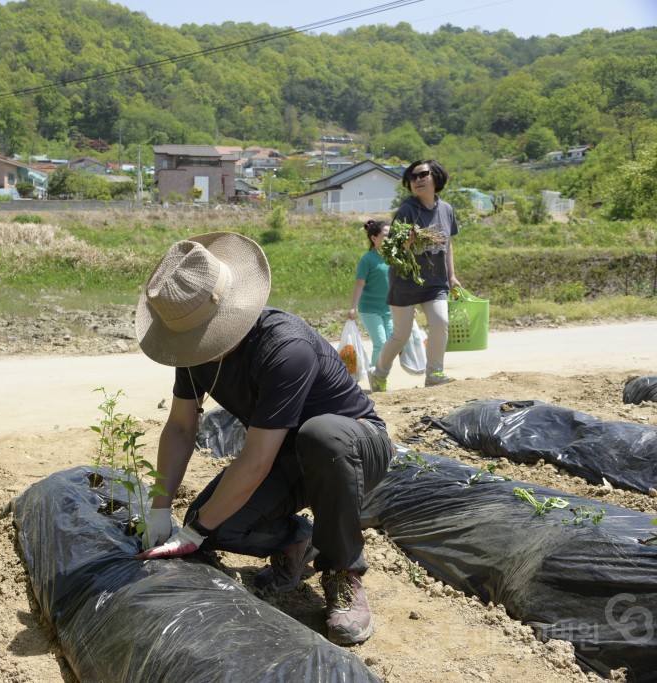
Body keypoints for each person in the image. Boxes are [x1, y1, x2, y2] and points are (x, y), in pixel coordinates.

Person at [133, 232, 393, 646]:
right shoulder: (194, 352)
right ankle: (298, 539)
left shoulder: (284, 348)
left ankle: (344, 571)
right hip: (286, 455)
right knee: (218, 527)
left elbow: (254, 461)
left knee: (322, 435)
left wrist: (192, 532)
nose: (196, 347)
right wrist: (161, 509)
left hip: (355, 446)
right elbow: (181, 427)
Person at [368, 160, 460, 392]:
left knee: (440, 323)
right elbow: (395, 249)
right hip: (406, 279)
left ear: (436, 178)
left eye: (423, 175)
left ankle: (434, 373)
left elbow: (449, 244)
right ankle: (378, 373)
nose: (417, 180)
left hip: (436, 281)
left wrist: (452, 275)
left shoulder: (447, 210)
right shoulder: (407, 209)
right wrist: (407, 243)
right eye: (412, 177)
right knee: (401, 335)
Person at [348, 219, 392, 367]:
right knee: (381, 344)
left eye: (390, 235)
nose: (389, 238)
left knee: (392, 344)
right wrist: (353, 307)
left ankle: (382, 376)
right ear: (374, 238)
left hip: (389, 309)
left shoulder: (392, 257)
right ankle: (377, 379)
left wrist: (406, 304)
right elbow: (360, 285)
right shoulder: (367, 259)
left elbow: (398, 283)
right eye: (385, 235)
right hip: (370, 309)